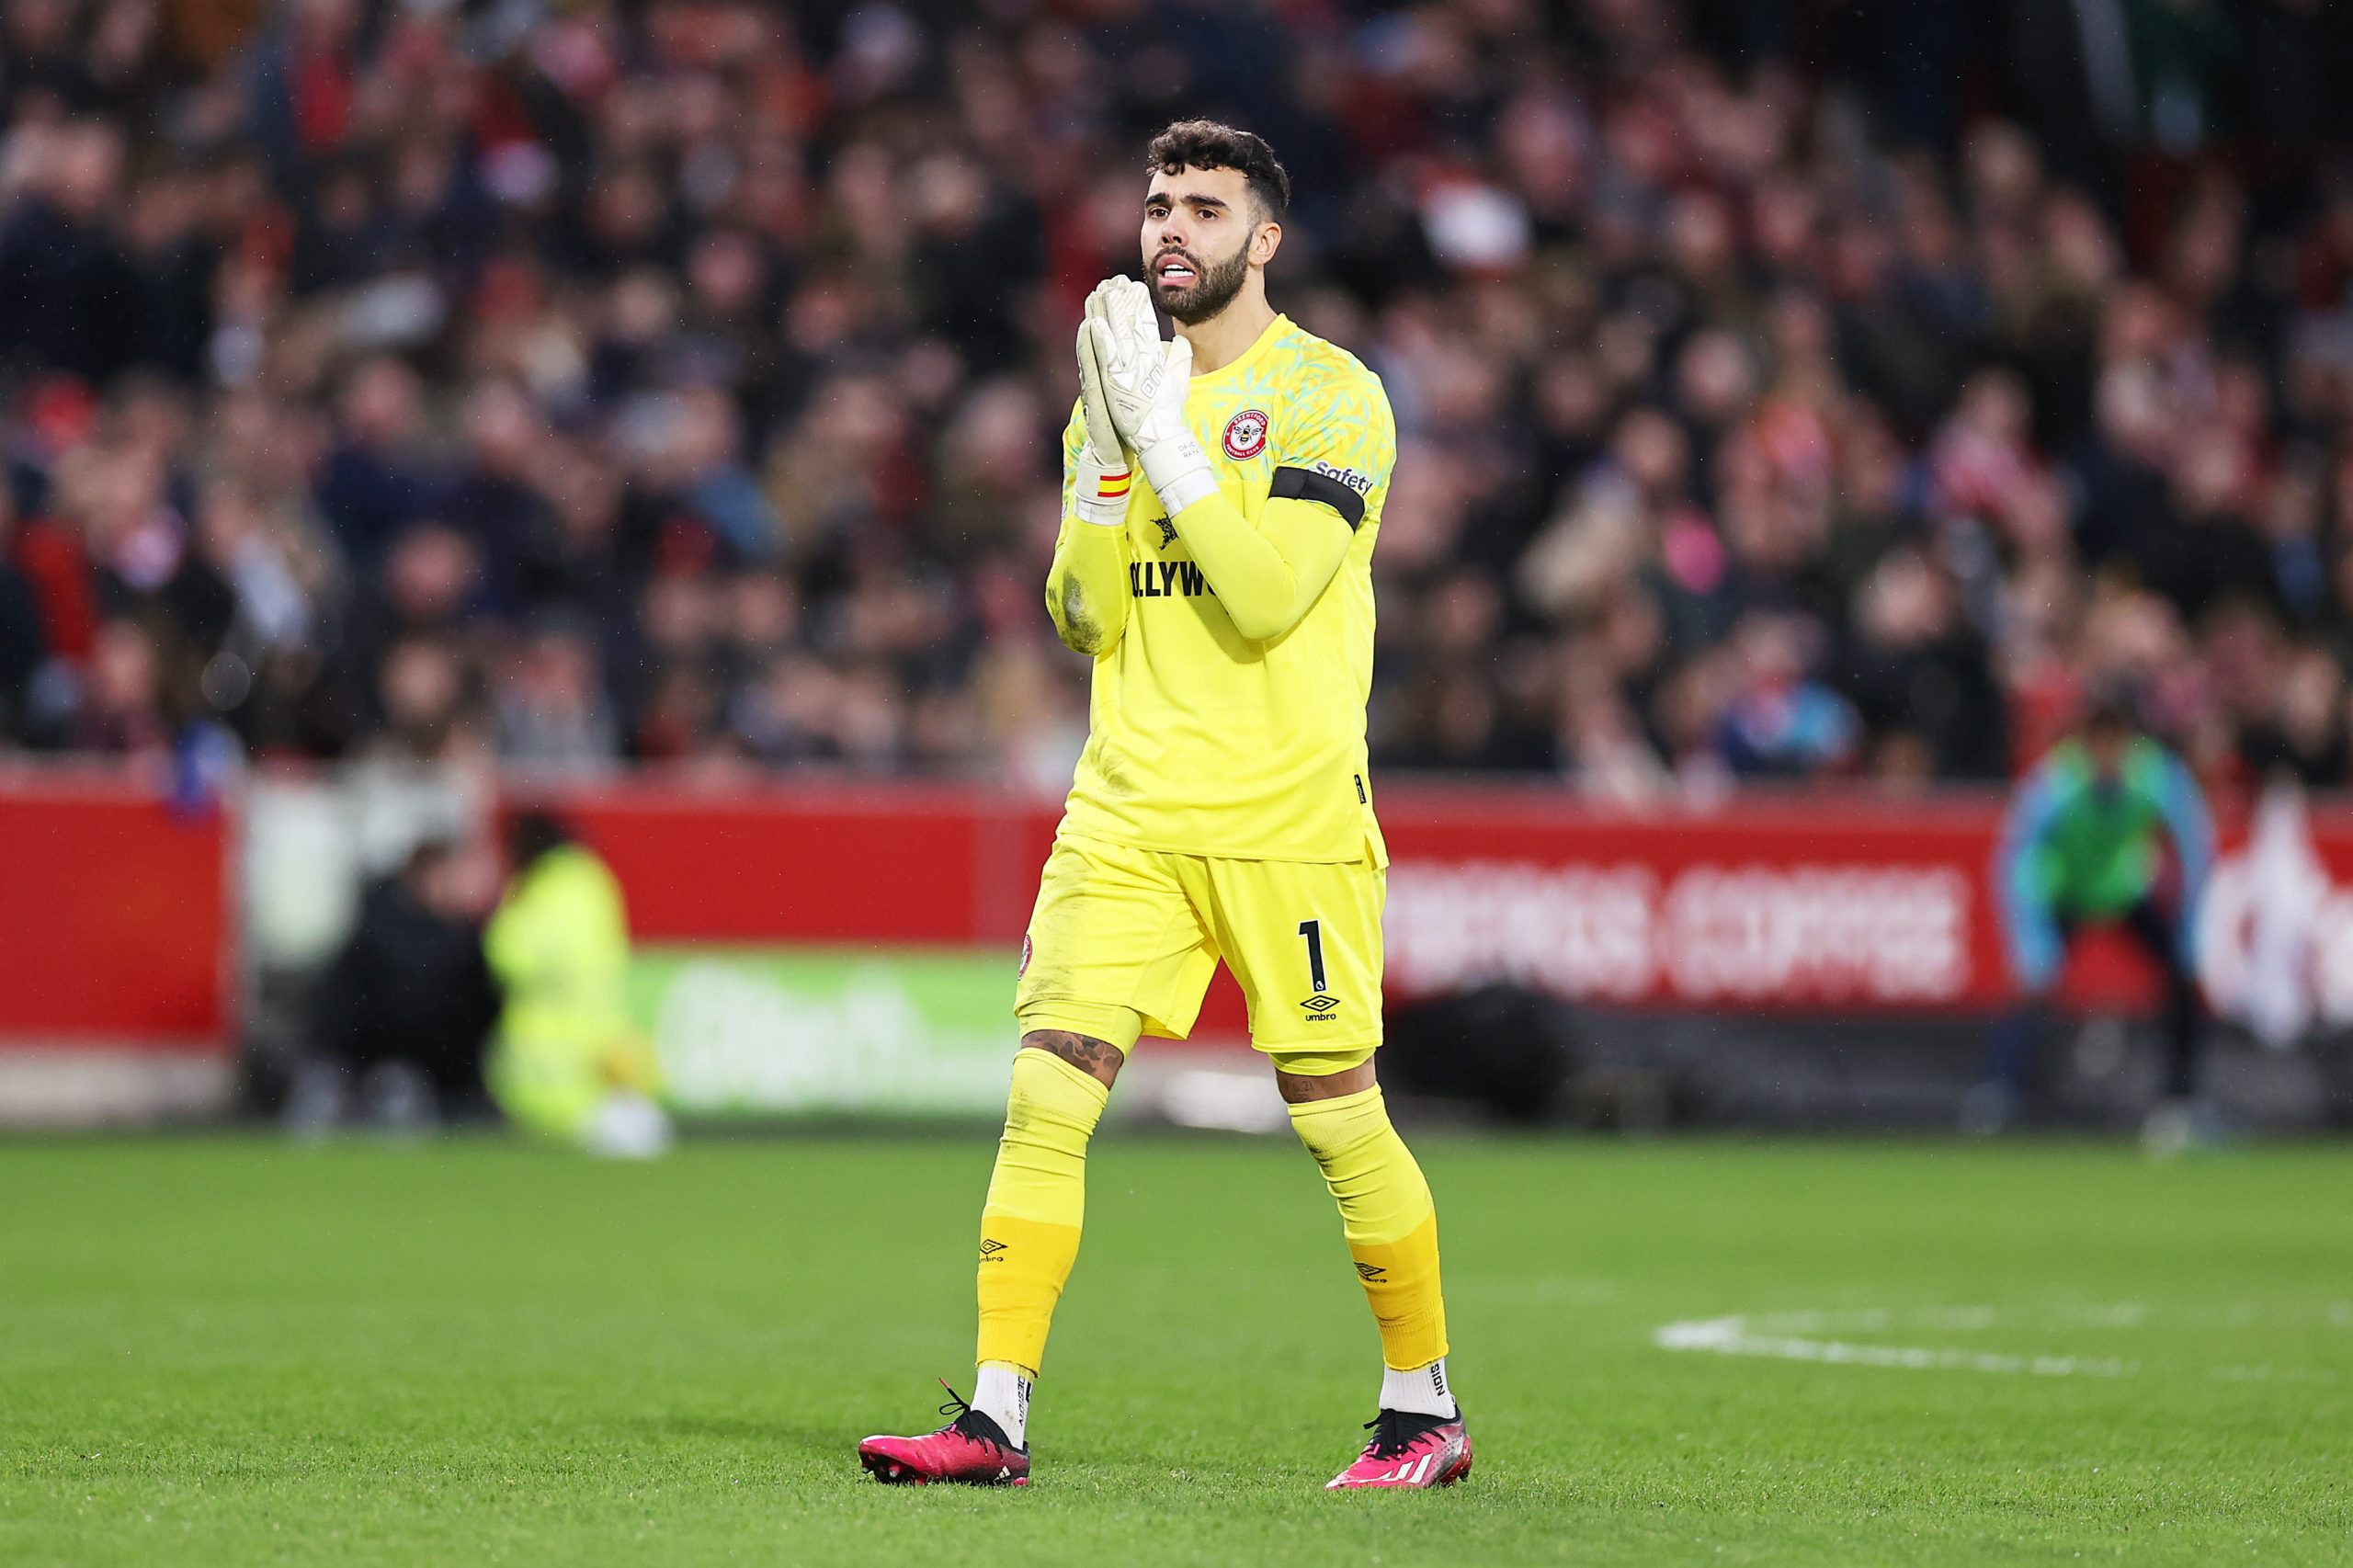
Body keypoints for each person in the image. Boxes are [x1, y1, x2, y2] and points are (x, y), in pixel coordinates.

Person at [858, 121, 1466, 1492]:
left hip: (1288, 821)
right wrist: (1104, 462)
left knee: (1335, 1115)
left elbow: (1261, 596)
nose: (1170, 228)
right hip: (1125, 812)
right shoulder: (1116, 392)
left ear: (1267, 238)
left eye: (1204, 205)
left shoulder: (1333, 398)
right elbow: (1080, 612)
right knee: (1043, 1096)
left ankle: (1423, 1408)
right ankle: (994, 1419)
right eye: (1156, 206)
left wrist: (1163, 441)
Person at [1973, 697, 2216, 1146]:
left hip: (2124, 890)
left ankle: (2180, 1101)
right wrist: (2030, 939)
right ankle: (2000, 1097)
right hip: (2064, 891)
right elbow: (2014, 856)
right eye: (2097, 743)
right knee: (2032, 987)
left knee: (2182, 984)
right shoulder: (2057, 780)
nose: (2105, 754)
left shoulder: (2157, 775)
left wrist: (2189, 928)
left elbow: (2195, 846)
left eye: (2114, 743)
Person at [483, 810, 670, 1159]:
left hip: (546, 1067)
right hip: (601, 1053)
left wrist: (505, 907)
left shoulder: (542, 889)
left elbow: (509, 955)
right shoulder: (594, 882)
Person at [286, 837, 500, 1134]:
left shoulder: (449, 933)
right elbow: (410, 1010)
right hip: (368, 1062)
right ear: (427, 875)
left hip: (405, 1067)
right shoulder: (397, 932)